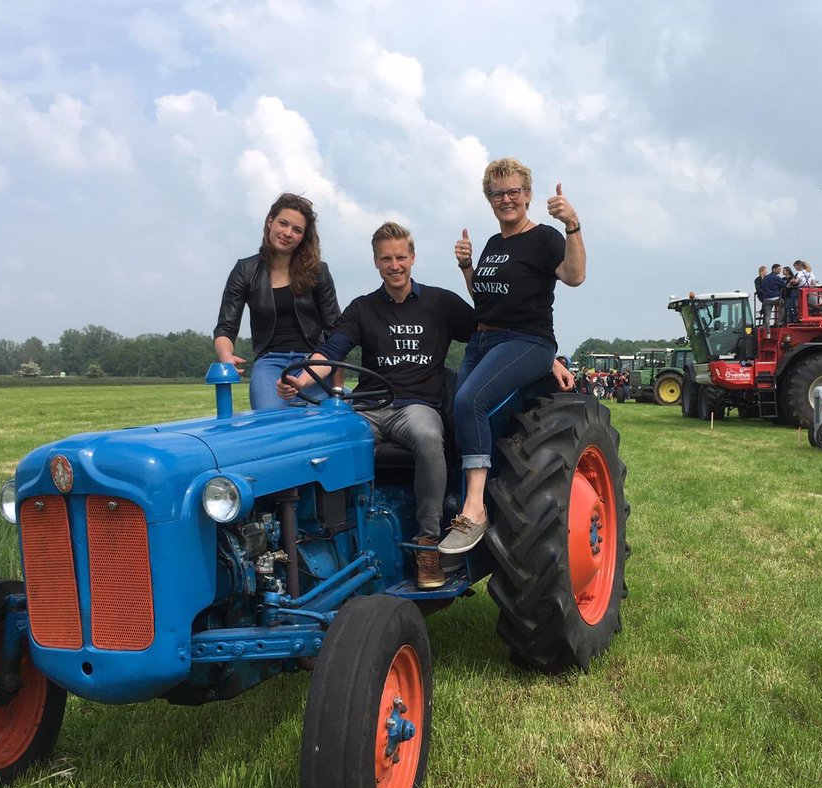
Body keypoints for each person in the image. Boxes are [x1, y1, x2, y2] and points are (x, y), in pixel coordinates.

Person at [278, 222, 574, 587]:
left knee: (429, 438)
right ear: (376, 262)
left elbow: (493, 330)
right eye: (386, 259)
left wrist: (545, 357)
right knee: (324, 440)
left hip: (416, 406)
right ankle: (324, 537)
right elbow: (332, 350)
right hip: (369, 407)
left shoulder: (440, 303)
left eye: (401, 257)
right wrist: (303, 379)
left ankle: (427, 544)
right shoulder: (363, 308)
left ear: (412, 258)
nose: (395, 265)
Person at [442, 157, 584, 554]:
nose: (506, 199)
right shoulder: (493, 244)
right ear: (489, 199)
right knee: (454, 410)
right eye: (497, 193)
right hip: (483, 341)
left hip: (526, 341)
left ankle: (475, 510)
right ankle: (457, 501)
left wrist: (572, 225)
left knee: (470, 401)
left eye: (513, 192)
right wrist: (467, 267)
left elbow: (574, 276)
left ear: (528, 195)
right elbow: (485, 299)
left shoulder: (544, 238)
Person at [213, 193, 341, 411]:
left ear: (304, 237)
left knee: (321, 423)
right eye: (283, 223)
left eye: (297, 230)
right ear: (270, 221)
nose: (288, 233)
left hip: (314, 362)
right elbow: (226, 327)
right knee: (270, 421)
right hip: (269, 362)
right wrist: (226, 355)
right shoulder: (245, 270)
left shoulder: (318, 271)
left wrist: (337, 390)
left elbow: (336, 334)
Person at [761, 263, 786, 329]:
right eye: (779, 269)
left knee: (767, 316)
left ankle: (768, 332)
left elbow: (762, 287)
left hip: (767, 299)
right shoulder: (777, 278)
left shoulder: (765, 278)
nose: (780, 271)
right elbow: (784, 285)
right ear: (774, 269)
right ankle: (779, 321)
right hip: (776, 298)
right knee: (783, 305)